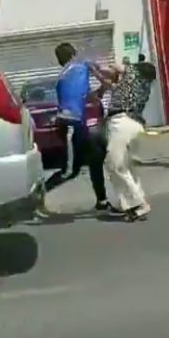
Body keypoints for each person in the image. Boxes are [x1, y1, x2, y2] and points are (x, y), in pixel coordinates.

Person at [94, 59, 157, 221]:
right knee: (126, 166)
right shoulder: (137, 87)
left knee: (114, 165)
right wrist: (95, 73)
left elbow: (113, 68)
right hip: (133, 125)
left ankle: (139, 204)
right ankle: (132, 202)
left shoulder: (133, 74)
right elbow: (109, 84)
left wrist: (96, 65)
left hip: (122, 122)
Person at [52, 41, 111, 211]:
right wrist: (106, 85)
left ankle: (102, 201)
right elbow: (103, 78)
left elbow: (85, 97)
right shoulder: (83, 65)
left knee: (95, 159)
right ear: (73, 54)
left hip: (73, 123)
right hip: (71, 123)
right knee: (71, 170)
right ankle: (36, 196)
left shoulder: (63, 76)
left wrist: (100, 90)